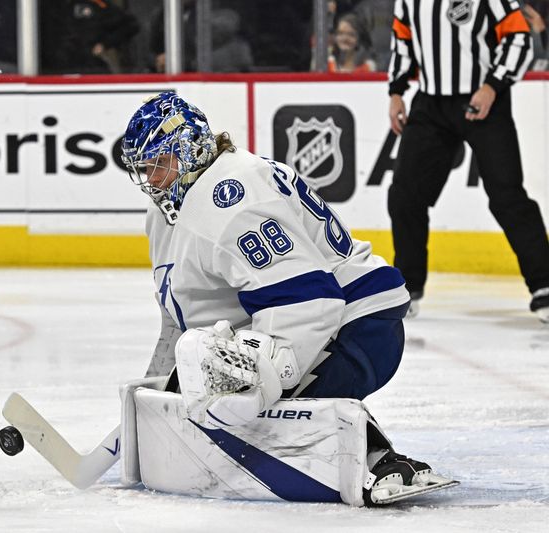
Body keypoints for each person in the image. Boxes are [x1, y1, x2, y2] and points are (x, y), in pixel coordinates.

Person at [120, 91, 455, 504]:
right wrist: (163, 392)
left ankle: (379, 460)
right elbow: (179, 318)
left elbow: (309, 304)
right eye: (145, 169)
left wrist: (261, 385)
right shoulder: (168, 210)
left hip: (358, 325)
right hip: (313, 320)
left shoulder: (231, 199)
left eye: (160, 165)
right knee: (218, 391)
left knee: (243, 411)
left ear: (190, 149)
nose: (152, 179)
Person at [387, 0, 549, 322]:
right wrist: (396, 92)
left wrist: (493, 86)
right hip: (430, 105)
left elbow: (518, 37)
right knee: (405, 195)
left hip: (485, 101)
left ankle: (544, 284)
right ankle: (407, 286)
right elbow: (403, 42)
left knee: (507, 196)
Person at [40, 0, 139, 75]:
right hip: (56, 67)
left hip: (91, 65)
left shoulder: (97, 5)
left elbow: (130, 25)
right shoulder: (49, 6)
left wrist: (105, 44)